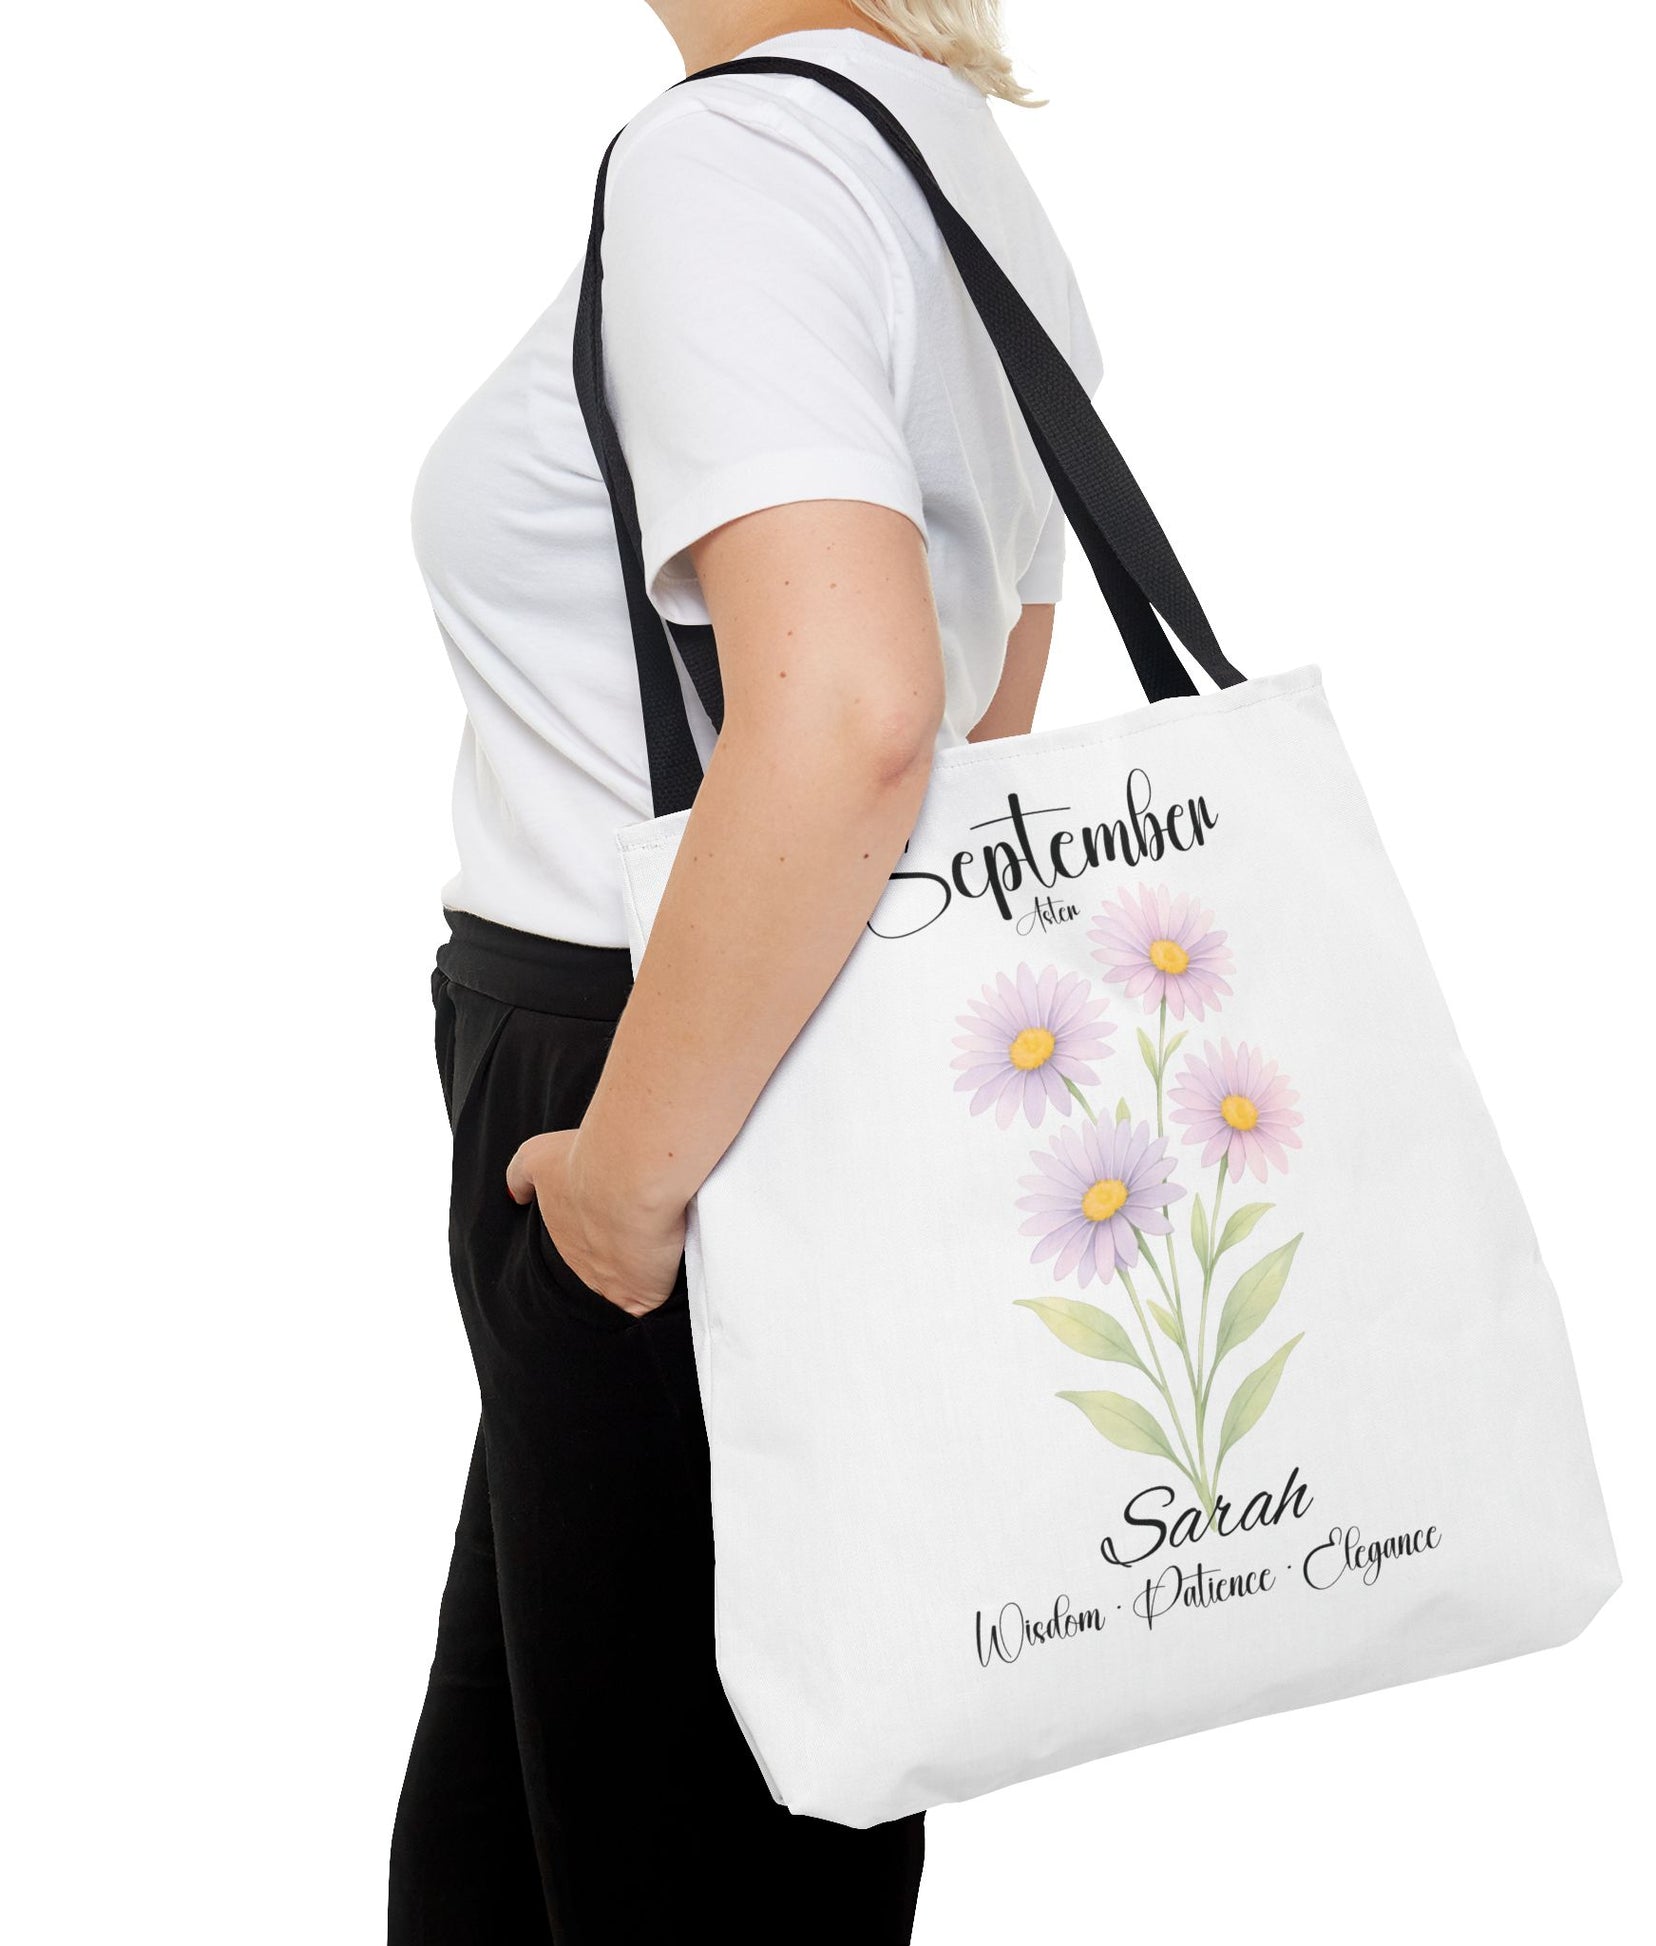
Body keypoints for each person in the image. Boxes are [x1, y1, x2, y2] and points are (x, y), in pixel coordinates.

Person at [389, 3, 1099, 1938]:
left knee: (666, 1871)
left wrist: (624, 1189)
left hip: (653, 1092)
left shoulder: (735, 161)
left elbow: (863, 712)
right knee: (551, 1849)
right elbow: (987, 710)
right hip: (776, 1056)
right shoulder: (938, 149)